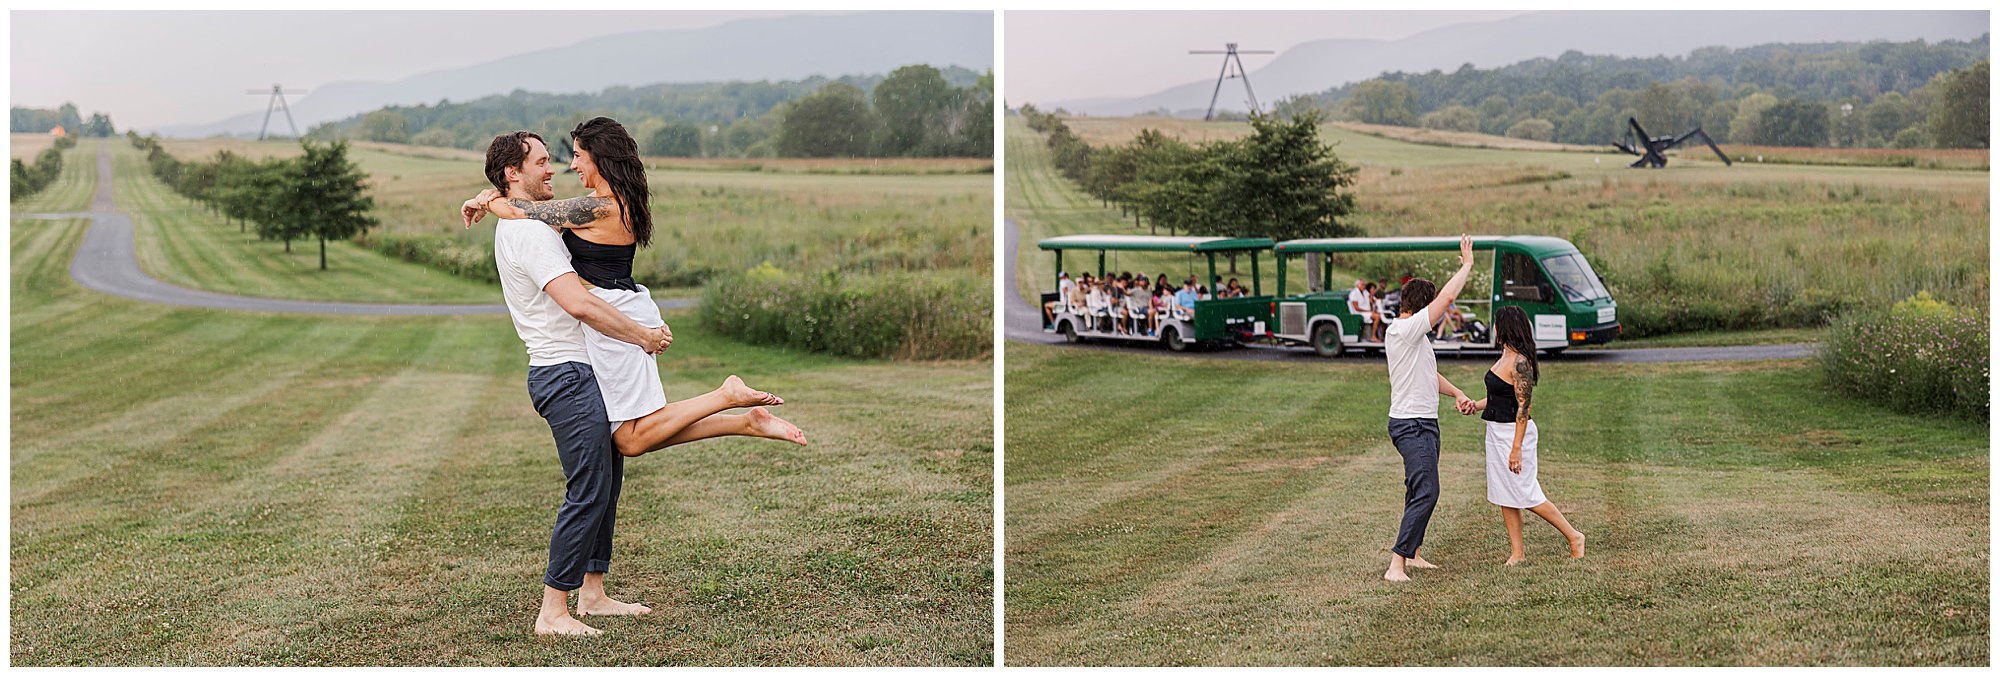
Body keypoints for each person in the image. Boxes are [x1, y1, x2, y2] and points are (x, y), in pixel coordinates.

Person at [471, 130, 804, 637]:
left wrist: (489, 197)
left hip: (586, 359)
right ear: (513, 171)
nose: (556, 168)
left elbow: (540, 219)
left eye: (568, 157)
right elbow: (578, 301)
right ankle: (552, 613)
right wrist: (643, 335)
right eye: (543, 161)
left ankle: (593, 594)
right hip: (566, 369)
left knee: (611, 469)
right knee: (595, 480)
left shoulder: (563, 216)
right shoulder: (531, 231)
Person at [1381, 234, 1478, 583]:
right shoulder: (1404, 330)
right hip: (1411, 425)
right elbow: (1449, 296)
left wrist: (1455, 393)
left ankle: (1415, 553)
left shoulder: (1414, 338)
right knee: (1427, 491)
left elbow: (1429, 374)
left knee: (1415, 488)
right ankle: (1396, 565)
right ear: (1425, 306)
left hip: (1425, 422)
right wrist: (1466, 265)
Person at [1462, 306, 1585, 565]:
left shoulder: (1520, 362)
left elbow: (1523, 407)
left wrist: (1516, 449)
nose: (1493, 328)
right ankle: (1517, 553)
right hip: (1496, 432)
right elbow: (1500, 397)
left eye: (1496, 324)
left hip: (1514, 434)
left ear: (1504, 327)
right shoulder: (1504, 356)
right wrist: (1476, 404)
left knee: (1526, 493)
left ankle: (1574, 536)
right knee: (1503, 493)